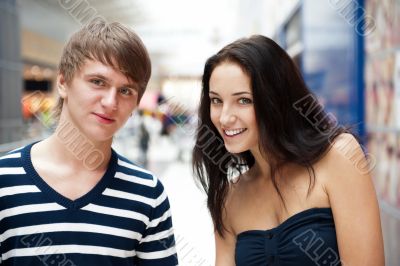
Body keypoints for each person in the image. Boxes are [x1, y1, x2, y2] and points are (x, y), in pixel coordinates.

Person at [192, 35, 384, 266]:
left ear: (277, 99)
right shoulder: (229, 199)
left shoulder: (338, 156)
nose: (224, 117)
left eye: (243, 100)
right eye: (216, 100)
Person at [0, 19, 178, 265]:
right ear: (63, 83)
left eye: (126, 90)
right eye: (97, 82)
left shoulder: (147, 194)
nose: (110, 102)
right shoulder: (4, 181)